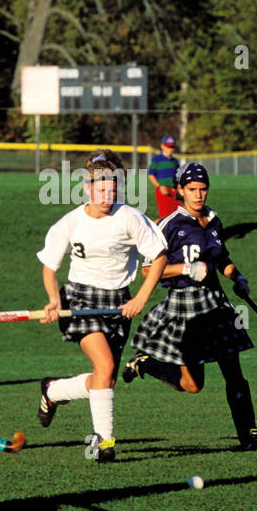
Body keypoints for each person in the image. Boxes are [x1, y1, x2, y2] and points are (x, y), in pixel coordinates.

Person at [36, 149, 167, 461]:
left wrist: (140, 299)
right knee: (105, 366)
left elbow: (159, 256)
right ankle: (104, 443)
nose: (107, 195)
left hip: (119, 302)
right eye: (101, 188)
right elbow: (49, 268)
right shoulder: (69, 223)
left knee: (104, 380)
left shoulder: (130, 218)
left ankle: (52, 391)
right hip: (79, 300)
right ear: (87, 186)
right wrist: (54, 299)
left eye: (113, 188)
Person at [121, 162, 257, 449]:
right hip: (184, 307)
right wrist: (186, 268)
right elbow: (149, 271)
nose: (199, 195)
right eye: (192, 190)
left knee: (233, 370)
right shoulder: (167, 224)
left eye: (203, 189)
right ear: (180, 191)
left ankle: (249, 437)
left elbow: (221, 259)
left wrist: (238, 277)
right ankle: (145, 364)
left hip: (214, 302)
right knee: (193, 385)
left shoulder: (214, 220)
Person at [147, 135, 182, 220]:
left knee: (179, 214)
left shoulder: (175, 161)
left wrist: (177, 187)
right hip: (162, 190)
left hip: (174, 191)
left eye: (172, 147)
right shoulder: (157, 159)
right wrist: (159, 186)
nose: (170, 149)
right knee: (165, 216)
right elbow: (151, 174)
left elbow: (178, 176)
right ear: (162, 146)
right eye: (168, 146)